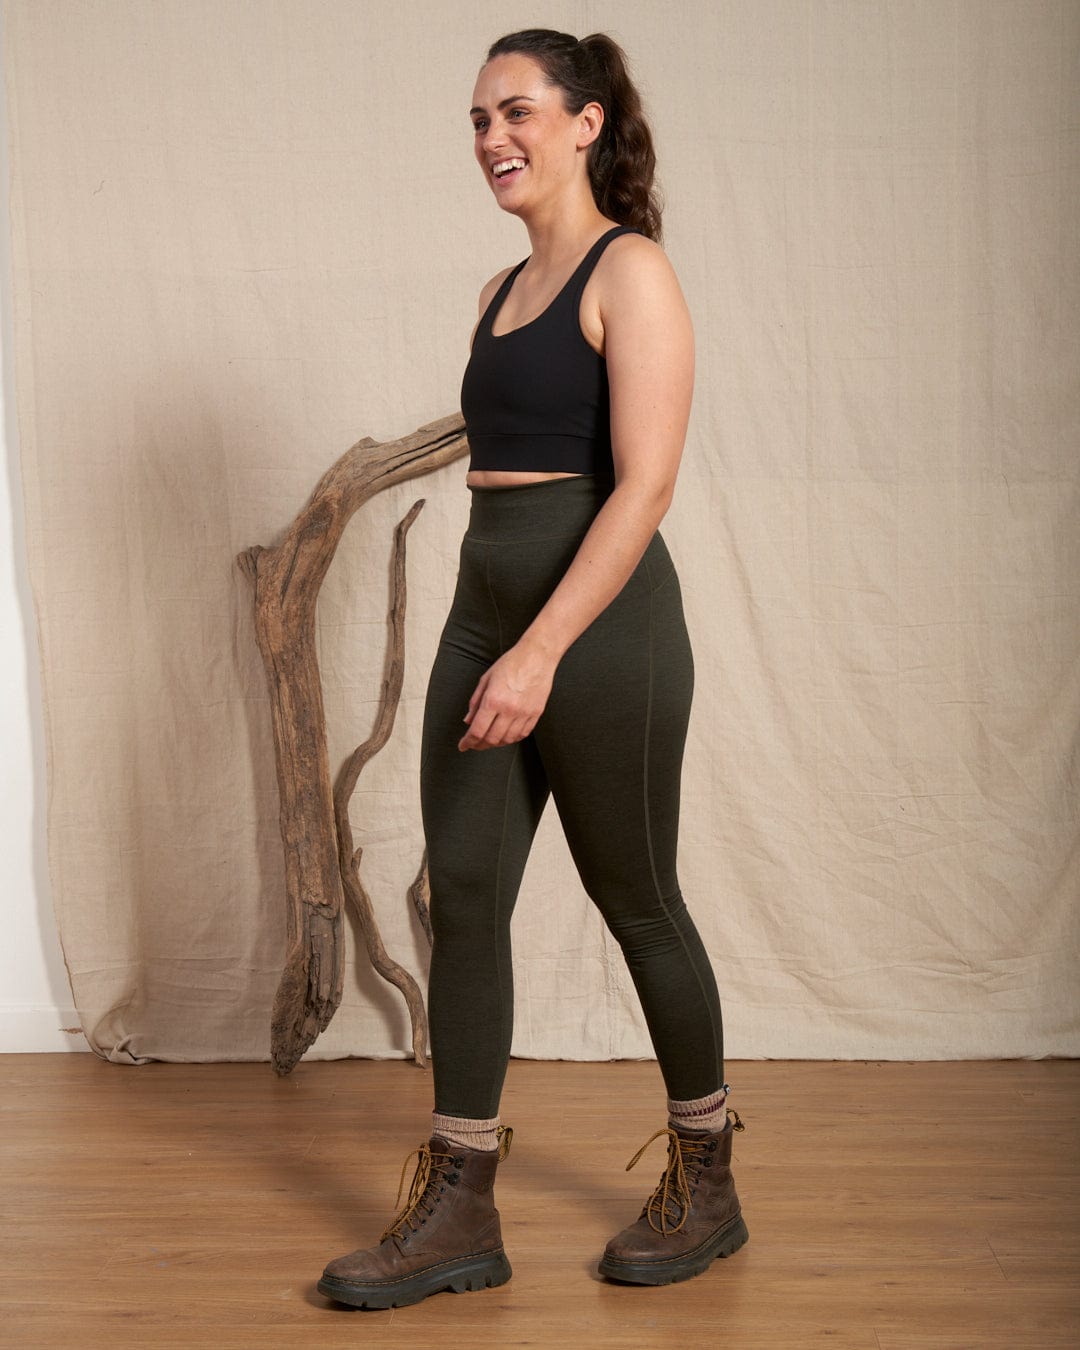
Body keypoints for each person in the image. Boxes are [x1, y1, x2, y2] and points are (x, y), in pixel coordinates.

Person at [318, 27, 747, 1310]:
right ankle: (461, 1213)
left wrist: (542, 651)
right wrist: (493, 640)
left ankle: (710, 1182)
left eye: (516, 112)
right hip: (482, 603)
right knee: (464, 895)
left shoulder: (636, 273)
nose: (491, 138)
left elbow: (645, 486)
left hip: (596, 621)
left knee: (638, 901)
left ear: (586, 122)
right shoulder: (505, 290)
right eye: (475, 120)